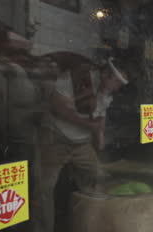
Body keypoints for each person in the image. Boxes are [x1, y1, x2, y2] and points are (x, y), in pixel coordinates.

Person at [37, 52, 128, 232]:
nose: (118, 87)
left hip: (81, 144)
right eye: (117, 82)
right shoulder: (76, 78)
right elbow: (57, 106)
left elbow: (100, 117)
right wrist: (88, 125)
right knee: (44, 189)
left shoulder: (106, 92)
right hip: (57, 139)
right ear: (105, 74)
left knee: (97, 178)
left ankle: (89, 225)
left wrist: (99, 138)